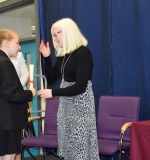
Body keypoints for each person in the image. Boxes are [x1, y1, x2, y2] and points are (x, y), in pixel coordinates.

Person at [38, 18, 100, 160]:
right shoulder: (64, 55)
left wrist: (53, 92)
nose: (55, 38)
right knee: (68, 146)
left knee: (80, 147)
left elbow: (80, 87)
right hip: (66, 105)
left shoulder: (83, 53)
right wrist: (47, 58)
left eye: (56, 34)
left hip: (80, 106)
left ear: (67, 32)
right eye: (53, 35)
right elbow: (52, 78)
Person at [0, 29, 36, 160]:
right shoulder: (5, 63)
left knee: (1, 156)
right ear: (7, 43)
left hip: (0, 120)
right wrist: (30, 93)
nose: (19, 46)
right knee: (9, 156)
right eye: (17, 43)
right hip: (9, 120)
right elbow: (12, 94)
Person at [10, 52, 29, 160]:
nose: (19, 46)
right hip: (1, 100)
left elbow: (25, 74)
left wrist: (15, 88)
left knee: (17, 136)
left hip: (18, 96)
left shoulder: (19, 55)